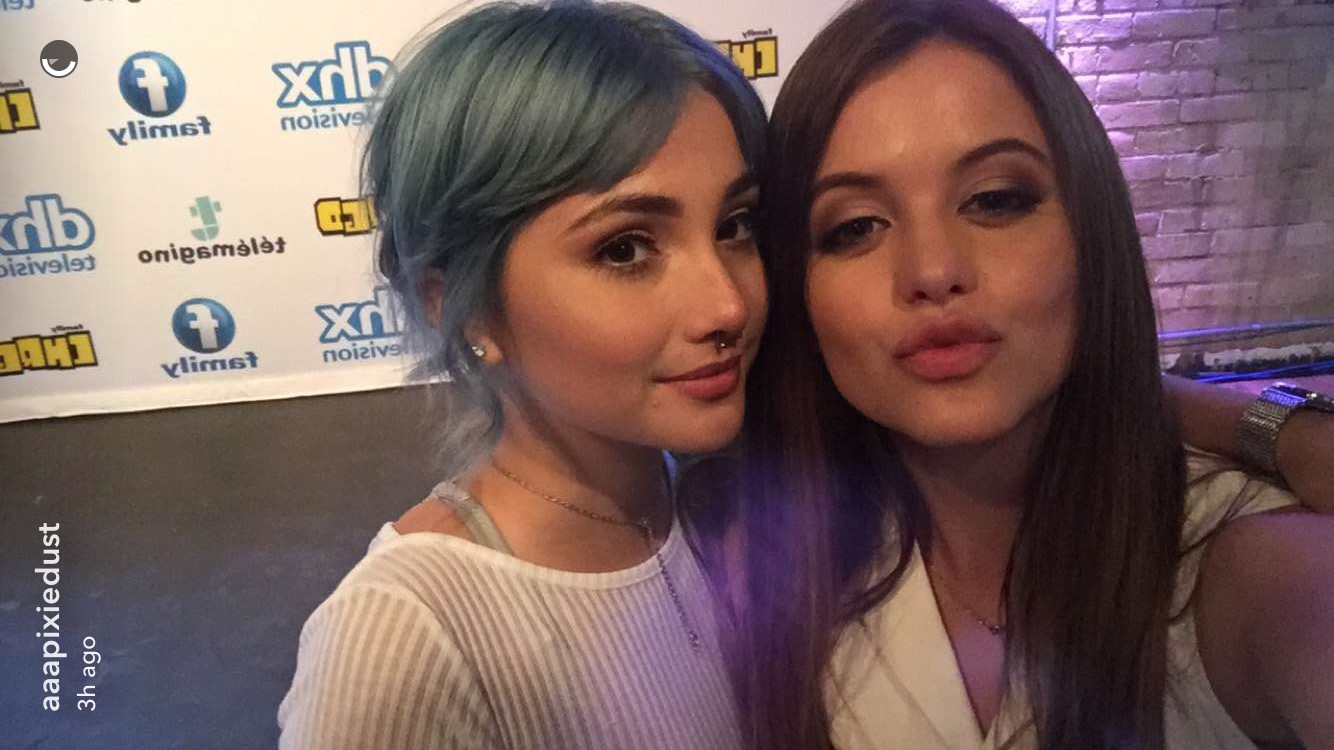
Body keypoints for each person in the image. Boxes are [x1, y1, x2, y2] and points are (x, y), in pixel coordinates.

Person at [709, 0, 1334, 748]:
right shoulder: (758, 564)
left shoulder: (1255, 569)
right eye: (855, 227)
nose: (932, 271)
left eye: (995, 200)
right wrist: (1270, 424)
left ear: (1088, 229)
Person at [276, 2, 767, 747]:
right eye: (626, 249)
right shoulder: (406, 637)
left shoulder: (714, 512)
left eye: (734, 226)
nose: (727, 304)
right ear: (462, 306)